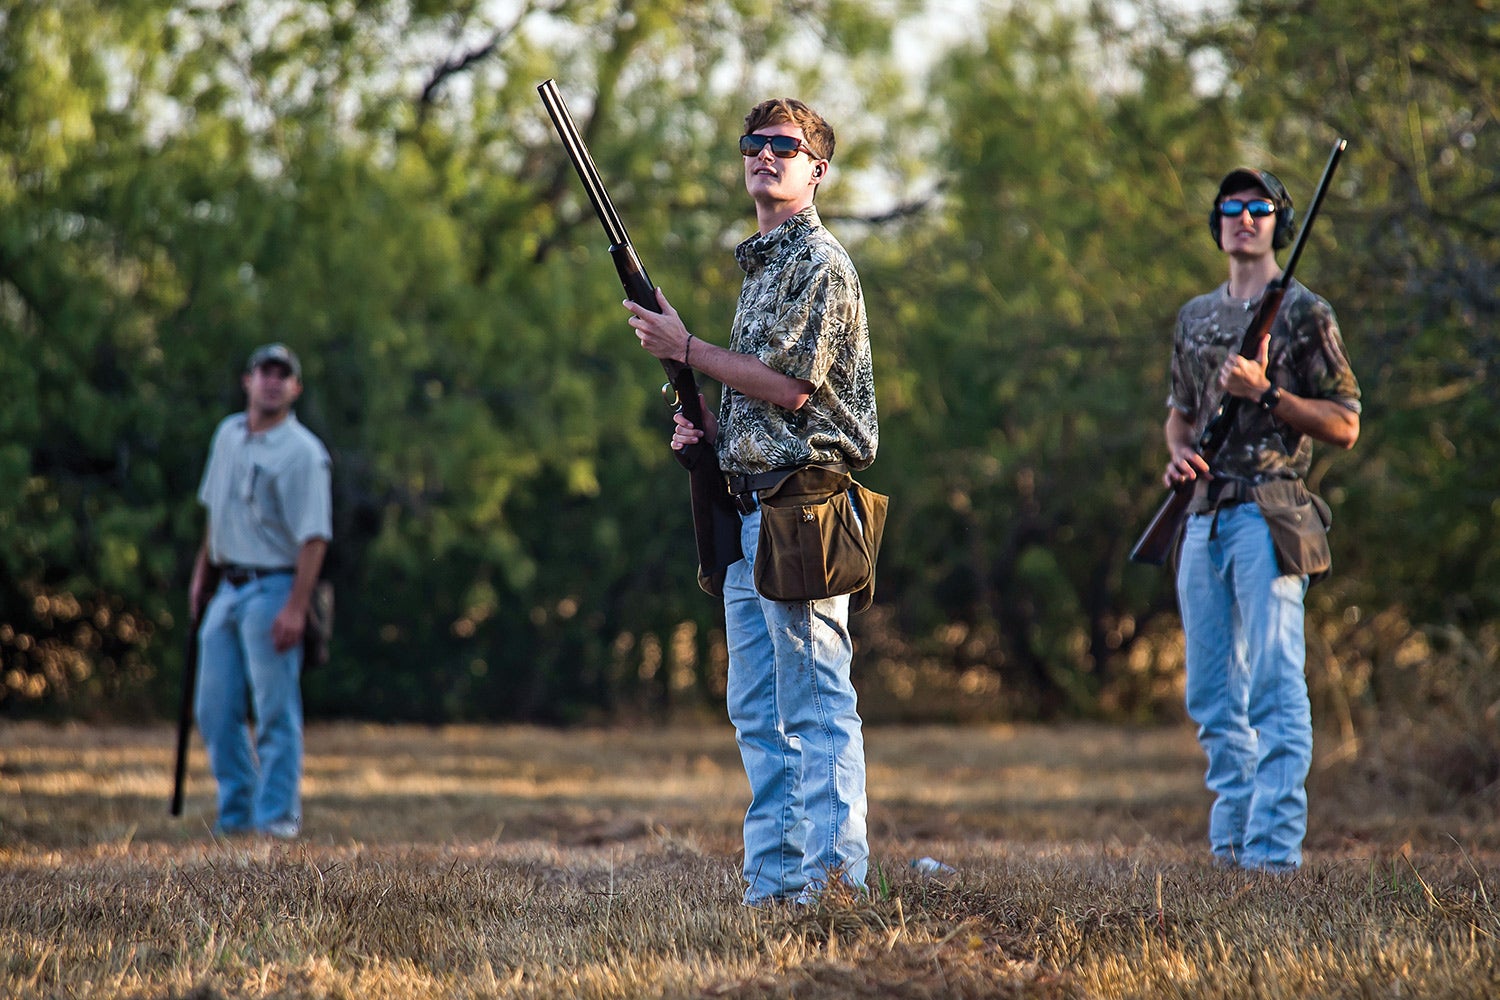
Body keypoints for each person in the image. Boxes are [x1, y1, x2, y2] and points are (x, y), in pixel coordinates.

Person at [624, 98, 878, 905]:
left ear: (817, 170)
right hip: (745, 508)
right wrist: (703, 428)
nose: (765, 155)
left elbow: (795, 391)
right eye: (755, 143)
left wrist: (687, 349)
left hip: (801, 505)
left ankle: (836, 885)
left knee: (815, 704)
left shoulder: (819, 263)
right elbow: (755, 401)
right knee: (759, 716)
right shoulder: (763, 263)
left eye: (785, 145)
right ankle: (773, 888)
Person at [1159, 167, 1361, 872]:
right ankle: (1232, 848)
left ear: (1279, 220)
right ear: (1216, 223)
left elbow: (1344, 423)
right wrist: (1179, 459)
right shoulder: (1194, 317)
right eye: (1232, 208)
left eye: (1260, 208)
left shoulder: (1307, 313)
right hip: (1202, 519)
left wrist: (1266, 391)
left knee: (1274, 686)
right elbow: (1180, 421)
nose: (1245, 218)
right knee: (1212, 696)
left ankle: (1272, 858)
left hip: (1270, 514)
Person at [189, 343, 332, 839]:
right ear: (246, 380)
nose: (271, 381)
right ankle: (236, 816)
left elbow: (314, 537)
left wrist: (296, 606)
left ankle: (276, 820)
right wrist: (201, 575)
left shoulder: (304, 454)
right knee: (213, 709)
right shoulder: (227, 435)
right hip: (226, 586)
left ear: (295, 387)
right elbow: (216, 512)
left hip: (274, 585)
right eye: (263, 372)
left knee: (274, 710)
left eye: (282, 374)